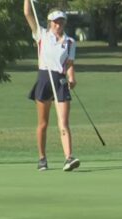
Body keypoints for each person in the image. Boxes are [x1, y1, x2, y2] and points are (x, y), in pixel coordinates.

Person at [23, 0, 80, 171]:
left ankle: (68, 158)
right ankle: (42, 158)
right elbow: (28, 13)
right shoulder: (41, 34)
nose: (58, 24)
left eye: (61, 21)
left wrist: (71, 78)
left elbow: (69, 64)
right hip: (44, 79)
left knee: (63, 122)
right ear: (50, 22)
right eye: (56, 21)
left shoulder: (70, 42)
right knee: (43, 123)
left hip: (60, 80)